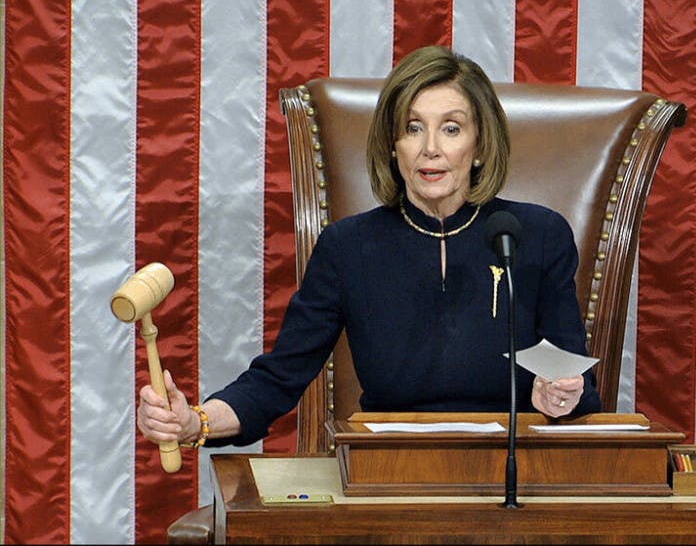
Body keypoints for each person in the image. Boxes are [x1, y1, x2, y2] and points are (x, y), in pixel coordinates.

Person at [137, 45, 602, 450]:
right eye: (413, 128)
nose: (431, 148)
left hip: (514, 466)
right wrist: (193, 422)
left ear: (479, 145)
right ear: (393, 146)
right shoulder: (349, 248)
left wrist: (561, 395)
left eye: (452, 129)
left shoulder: (535, 235)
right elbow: (278, 378)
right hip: (389, 468)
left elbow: (578, 383)